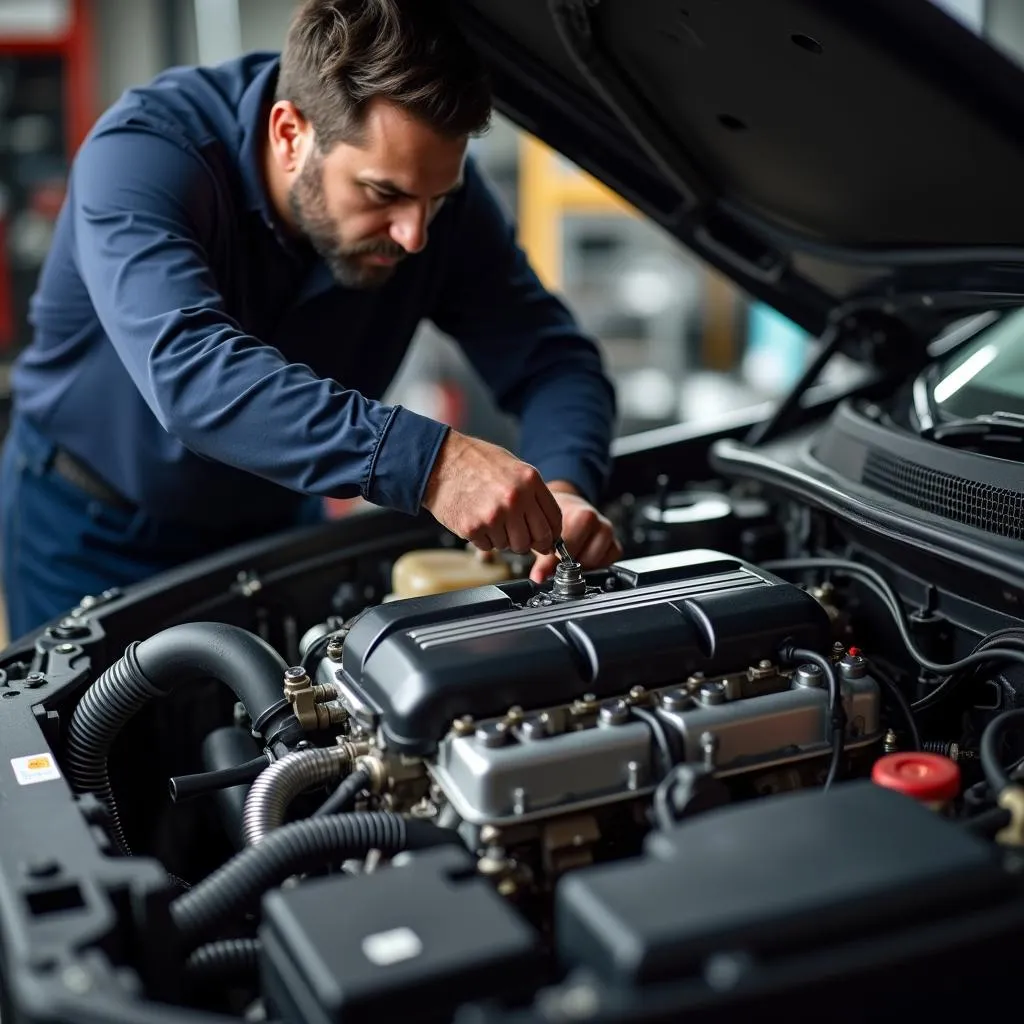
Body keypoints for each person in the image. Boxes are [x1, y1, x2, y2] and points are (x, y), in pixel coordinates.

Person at [0, 0, 620, 640]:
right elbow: (191, 374)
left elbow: (553, 362)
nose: (414, 235)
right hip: (87, 535)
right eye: (384, 194)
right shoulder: (144, 157)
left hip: (274, 530)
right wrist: (435, 465)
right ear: (290, 134)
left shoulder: (433, 200)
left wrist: (563, 488)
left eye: (437, 199)